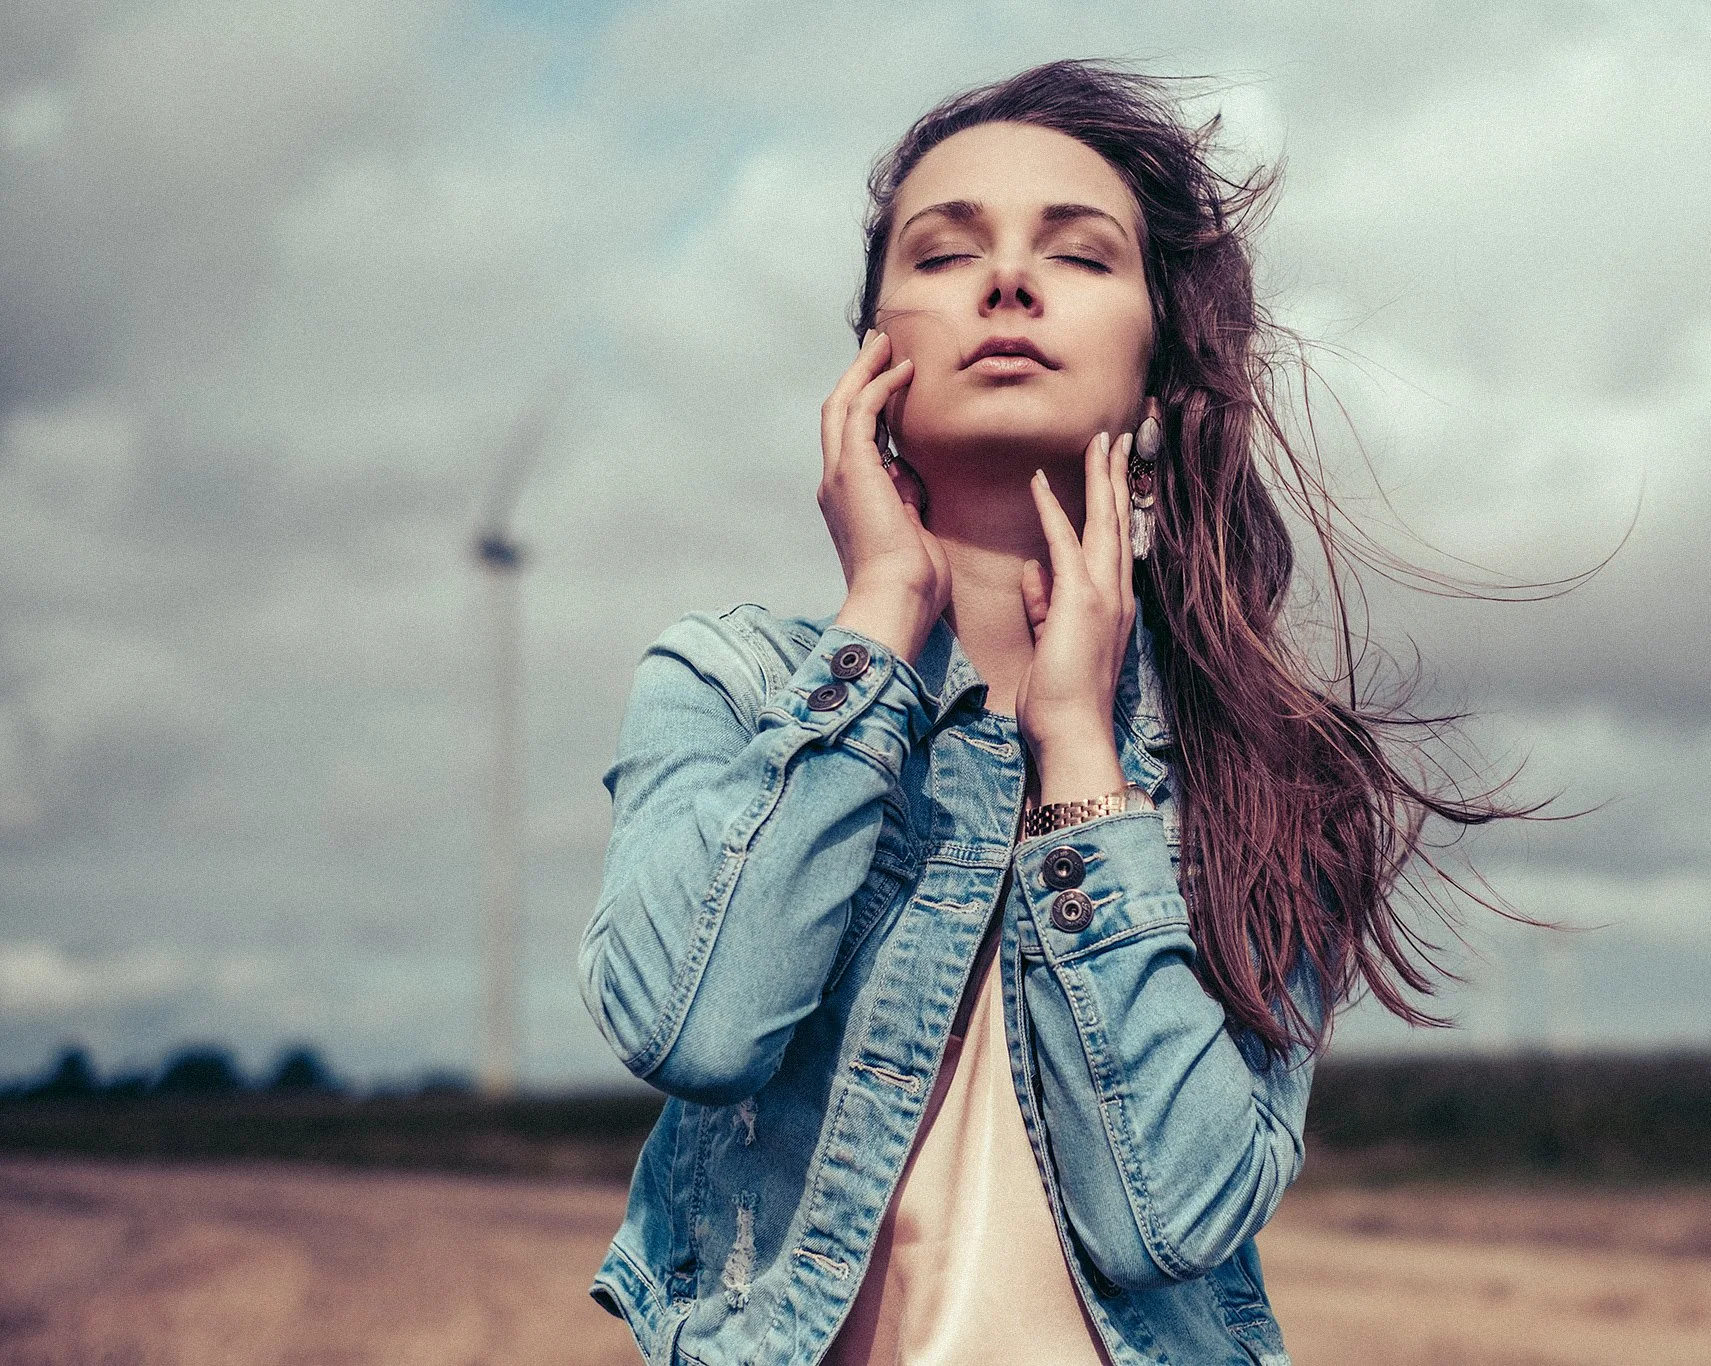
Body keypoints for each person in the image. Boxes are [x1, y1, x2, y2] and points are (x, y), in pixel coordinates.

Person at [578, 59, 1556, 1366]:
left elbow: (1174, 1219)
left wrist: (1081, 761)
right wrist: (880, 610)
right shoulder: (726, 686)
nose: (1007, 282)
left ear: (1157, 367)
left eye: (1079, 254)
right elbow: (695, 1024)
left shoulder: (1266, 771)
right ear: (872, 351)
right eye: (945, 250)